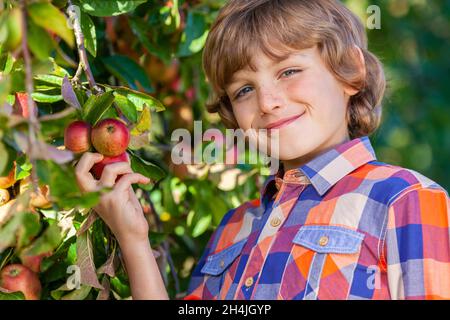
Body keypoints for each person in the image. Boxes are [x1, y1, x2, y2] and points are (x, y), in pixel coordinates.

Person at [74, 0, 450, 300]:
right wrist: (132, 236)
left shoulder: (405, 199)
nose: (268, 102)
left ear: (350, 70)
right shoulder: (235, 228)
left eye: (288, 71)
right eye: (244, 90)